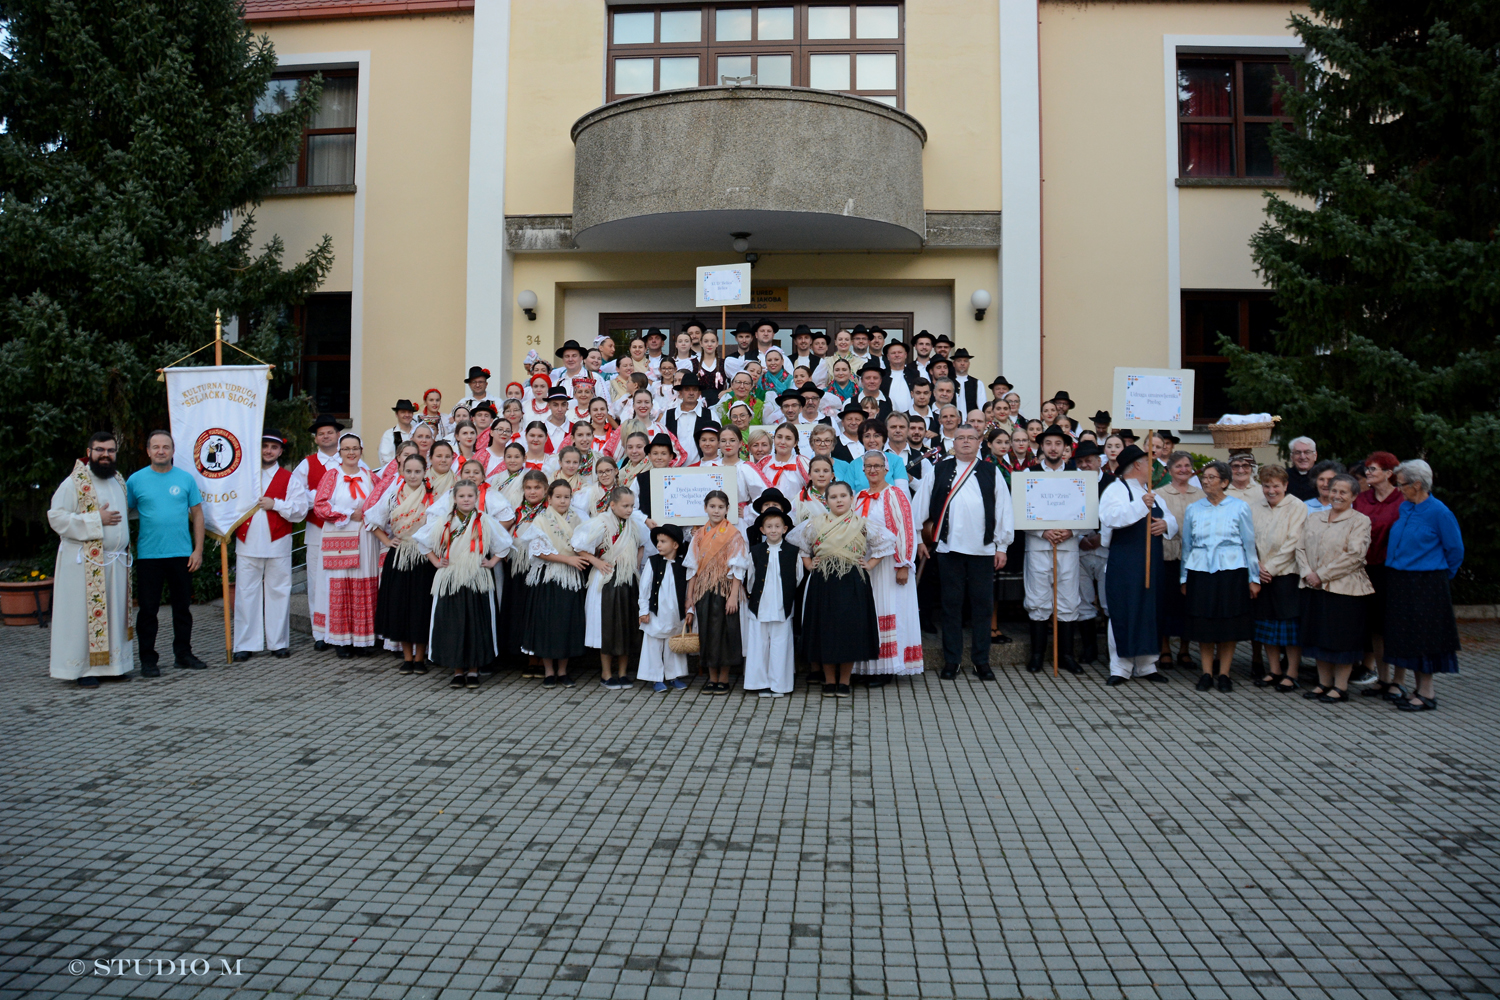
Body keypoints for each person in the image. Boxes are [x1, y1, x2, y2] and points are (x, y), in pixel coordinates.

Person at [48, 432, 135, 686]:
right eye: (100, 450)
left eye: (110, 450)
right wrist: (97, 519)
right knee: (82, 617)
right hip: (83, 564)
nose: (105, 455)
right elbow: (57, 518)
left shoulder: (118, 479)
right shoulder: (74, 483)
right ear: (89, 452)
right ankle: (83, 670)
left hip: (115, 562)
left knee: (114, 615)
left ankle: (113, 667)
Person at [927, 425, 1012, 680]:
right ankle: (951, 661)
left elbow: (1004, 510)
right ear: (953, 442)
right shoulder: (940, 468)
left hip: (983, 550)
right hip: (948, 548)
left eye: (971, 438)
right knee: (951, 607)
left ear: (979, 442)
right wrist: (919, 541)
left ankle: (981, 661)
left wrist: (1002, 546)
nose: (966, 442)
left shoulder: (990, 471)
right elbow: (920, 503)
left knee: (982, 608)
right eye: (960, 438)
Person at [1384, 460, 1464, 712]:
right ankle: (1417, 689)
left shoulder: (1439, 512)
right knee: (1409, 636)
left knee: (1424, 637)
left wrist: (1439, 576)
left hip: (1427, 582)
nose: (1399, 489)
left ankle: (1427, 693)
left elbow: (1455, 550)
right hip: (1402, 580)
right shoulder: (1406, 508)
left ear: (1417, 484)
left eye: (1402, 485)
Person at [789, 481, 883, 697]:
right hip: (824, 580)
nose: (839, 500)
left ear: (852, 498)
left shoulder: (863, 523)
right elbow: (800, 543)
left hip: (852, 580)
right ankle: (829, 680)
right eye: (834, 497)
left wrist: (870, 564)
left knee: (849, 629)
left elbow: (885, 543)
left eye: (843, 496)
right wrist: (807, 563)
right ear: (827, 500)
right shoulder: (815, 523)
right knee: (825, 629)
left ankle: (844, 681)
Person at [126, 429, 207, 672]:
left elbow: (198, 515)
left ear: (173, 451)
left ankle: (183, 654)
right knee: (148, 611)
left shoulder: (185, 479)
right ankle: (148, 660)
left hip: (182, 555)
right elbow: (124, 515)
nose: (161, 451)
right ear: (148, 451)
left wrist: (198, 550)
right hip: (150, 556)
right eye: (156, 446)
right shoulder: (135, 481)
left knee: (182, 609)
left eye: (166, 447)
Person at [419, 480, 512, 688]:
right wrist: (436, 561)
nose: (466, 499)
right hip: (451, 578)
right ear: (454, 498)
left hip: (476, 579)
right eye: (462, 496)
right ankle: (457, 670)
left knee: (476, 624)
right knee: (453, 624)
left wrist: (491, 562)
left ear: (476, 498)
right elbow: (422, 541)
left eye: (470, 496)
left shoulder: (485, 520)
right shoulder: (444, 521)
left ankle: (473, 670)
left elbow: (504, 543)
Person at [1178, 461, 1259, 693]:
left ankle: (1224, 673)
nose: (1205, 480)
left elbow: (1249, 544)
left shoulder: (1239, 507)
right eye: (1204, 477)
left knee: (1228, 624)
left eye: (1212, 477)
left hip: (1231, 571)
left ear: (1225, 482)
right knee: (1204, 624)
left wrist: (1254, 578)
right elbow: (1187, 546)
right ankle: (1206, 673)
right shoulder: (1194, 508)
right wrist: (1184, 578)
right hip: (1200, 571)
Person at [1099, 444, 1176, 685]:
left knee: (1149, 609)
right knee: (1124, 609)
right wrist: (1141, 505)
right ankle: (1120, 667)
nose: (1152, 466)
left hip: (1152, 562)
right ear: (1138, 465)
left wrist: (1166, 526)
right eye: (1148, 462)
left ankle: (1146, 665)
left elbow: (1171, 520)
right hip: (1125, 561)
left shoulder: (1153, 491)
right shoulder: (1116, 490)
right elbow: (1111, 518)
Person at [1296, 473, 1373, 703]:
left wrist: (1322, 575)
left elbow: (1355, 555)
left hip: (1345, 590)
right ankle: (1323, 683)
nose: (1337, 496)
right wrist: (1308, 573)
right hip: (1313, 586)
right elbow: (1299, 548)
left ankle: (1340, 687)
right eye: (1334, 491)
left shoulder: (1360, 521)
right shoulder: (1314, 518)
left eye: (1343, 492)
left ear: (1353, 496)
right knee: (1319, 637)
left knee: (1342, 640)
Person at [233, 429, 308, 661]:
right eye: (265, 446)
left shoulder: (289, 478)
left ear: (280, 451)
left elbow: (300, 510)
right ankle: (245, 643)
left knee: (278, 592)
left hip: (278, 544)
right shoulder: (244, 477)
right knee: (246, 593)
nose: (268, 451)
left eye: (273, 447)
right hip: (246, 543)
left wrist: (276, 504)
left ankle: (278, 642)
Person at [852, 450, 924, 680]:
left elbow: (905, 529)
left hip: (890, 564)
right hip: (867, 564)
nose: (873, 470)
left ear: (886, 469)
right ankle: (869, 665)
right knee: (869, 612)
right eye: (868, 466)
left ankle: (889, 667)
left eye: (877, 466)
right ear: (863, 470)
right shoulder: (859, 496)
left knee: (891, 609)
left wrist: (903, 564)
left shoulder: (895, 493)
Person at [368, 451, 438, 673]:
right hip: (399, 557)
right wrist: (388, 541)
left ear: (425, 472)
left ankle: (420, 658)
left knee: (420, 606)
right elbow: (372, 519)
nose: (413, 475)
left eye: (418, 471)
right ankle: (407, 658)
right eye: (408, 471)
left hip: (423, 558)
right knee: (401, 606)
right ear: (401, 471)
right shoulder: (393, 495)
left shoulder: (433, 496)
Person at [313, 432, 380, 657]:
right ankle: (342, 640)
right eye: (346, 449)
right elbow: (320, 506)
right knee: (340, 586)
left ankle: (363, 639)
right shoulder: (333, 475)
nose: (351, 453)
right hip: (339, 537)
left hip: (365, 538)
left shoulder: (370, 476)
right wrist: (349, 514)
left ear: (361, 451)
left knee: (364, 584)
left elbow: (382, 503)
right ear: (340, 453)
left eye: (355, 448)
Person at [572, 485, 646, 689]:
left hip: (627, 578)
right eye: (625, 506)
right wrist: (596, 562)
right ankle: (606, 673)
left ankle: (622, 673)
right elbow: (578, 547)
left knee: (626, 626)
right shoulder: (599, 524)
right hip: (605, 579)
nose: (629, 510)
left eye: (632, 506)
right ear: (612, 505)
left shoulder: (635, 525)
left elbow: (642, 544)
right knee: (606, 626)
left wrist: (635, 564)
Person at [1023, 426, 1084, 673]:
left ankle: (1067, 655)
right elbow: (1022, 510)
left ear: (1065, 448)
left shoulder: (1077, 474)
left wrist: (1072, 531)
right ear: (1042, 446)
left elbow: (1086, 510)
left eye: (1058, 443)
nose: (1053, 448)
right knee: (1038, 599)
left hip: (1068, 547)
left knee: (1068, 599)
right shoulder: (1030, 474)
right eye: (1048, 443)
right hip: (1039, 546)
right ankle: (1037, 655)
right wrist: (1042, 531)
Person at [519, 480, 587, 686]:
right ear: (549, 498)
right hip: (548, 577)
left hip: (570, 578)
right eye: (558, 497)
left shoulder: (579, 519)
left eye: (566, 497)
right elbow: (538, 551)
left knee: (566, 623)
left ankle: (563, 671)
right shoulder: (541, 519)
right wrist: (568, 559)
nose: (562, 500)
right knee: (546, 624)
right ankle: (549, 671)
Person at [684, 491, 749, 694]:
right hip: (704, 590)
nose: (716, 510)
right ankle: (711, 678)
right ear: (705, 508)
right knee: (707, 632)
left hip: (725, 589)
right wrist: (689, 597)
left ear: (727, 510)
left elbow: (738, 568)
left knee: (725, 633)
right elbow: (692, 568)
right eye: (712, 506)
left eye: (721, 507)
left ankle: (724, 678)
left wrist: (733, 596)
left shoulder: (734, 535)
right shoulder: (699, 535)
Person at [1250, 464, 1307, 692]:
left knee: (1288, 626)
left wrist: (1270, 568)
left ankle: (1292, 672)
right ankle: (1273, 670)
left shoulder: (1297, 507)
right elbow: (1248, 540)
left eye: (1276, 485)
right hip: (1260, 572)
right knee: (1266, 623)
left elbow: (1294, 541)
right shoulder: (1254, 508)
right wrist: (1257, 567)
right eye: (1266, 485)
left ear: (1285, 485)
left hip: (1286, 574)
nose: (1271, 490)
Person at [1353, 451, 1405, 698]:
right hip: (1365, 569)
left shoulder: (1403, 500)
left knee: (1394, 626)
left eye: (1373, 469)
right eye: (1367, 469)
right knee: (1374, 627)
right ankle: (1382, 679)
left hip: (1393, 571)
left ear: (1389, 473)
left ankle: (1399, 680)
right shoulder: (1362, 500)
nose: (1368, 473)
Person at [293, 414, 344, 649]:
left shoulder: (349, 459)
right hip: (317, 530)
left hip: (345, 531)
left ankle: (341, 630)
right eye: (321, 433)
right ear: (316, 439)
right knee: (316, 581)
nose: (326, 436)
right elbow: (296, 493)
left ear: (338, 435)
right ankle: (320, 633)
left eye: (330, 432)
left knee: (342, 581)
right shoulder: (308, 463)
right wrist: (322, 499)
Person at [742, 509, 802, 698]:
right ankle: (759, 683)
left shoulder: (793, 552)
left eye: (777, 527)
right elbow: (750, 577)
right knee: (758, 644)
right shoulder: (755, 551)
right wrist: (753, 595)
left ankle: (780, 685)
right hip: (760, 605)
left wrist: (787, 595)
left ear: (785, 529)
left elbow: (798, 577)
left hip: (781, 606)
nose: (773, 530)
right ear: (762, 529)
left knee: (780, 644)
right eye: (769, 527)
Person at [1157, 451, 1202, 668]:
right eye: (1178, 466)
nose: (1183, 469)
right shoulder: (1159, 494)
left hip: (1193, 558)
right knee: (1166, 603)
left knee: (1189, 604)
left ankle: (1185, 650)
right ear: (1170, 469)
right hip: (1168, 555)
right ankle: (1165, 648)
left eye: (1187, 465)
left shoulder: (1201, 495)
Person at [638, 524, 691, 691]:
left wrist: (689, 611)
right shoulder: (653, 563)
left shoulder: (683, 564)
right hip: (656, 612)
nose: (658, 545)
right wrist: (644, 611)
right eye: (657, 541)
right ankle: (655, 677)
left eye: (663, 541)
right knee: (653, 644)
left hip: (675, 613)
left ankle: (673, 675)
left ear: (675, 545)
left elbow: (690, 590)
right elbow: (644, 588)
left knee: (673, 644)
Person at [377, 399, 419, 467]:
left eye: (409, 412)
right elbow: (385, 460)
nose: (407, 415)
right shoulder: (389, 435)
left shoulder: (418, 433)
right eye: (403, 412)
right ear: (397, 414)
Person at [1286, 436, 1318, 501]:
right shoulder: (1284, 476)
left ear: (1315, 456)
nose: (1302, 457)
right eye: (1297, 452)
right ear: (1291, 457)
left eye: (1307, 452)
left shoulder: (1322, 477)